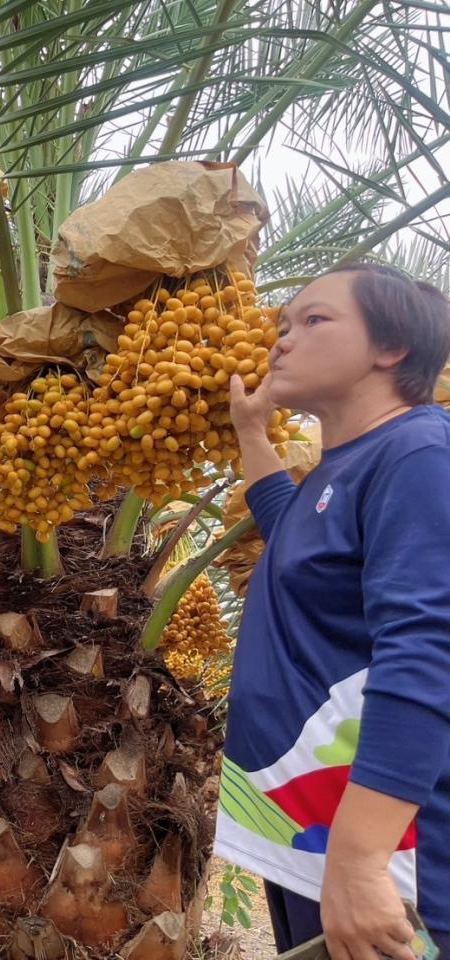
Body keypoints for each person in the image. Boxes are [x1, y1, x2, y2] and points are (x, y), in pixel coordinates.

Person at [222, 262, 450, 960]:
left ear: (392, 347)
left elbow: (427, 649)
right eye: (283, 324)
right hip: (314, 829)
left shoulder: (418, 454)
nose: (282, 339)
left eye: (314, 320)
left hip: (391, 850)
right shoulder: (343, 468)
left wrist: (361, 860)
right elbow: (297, 539)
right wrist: (252, 434)